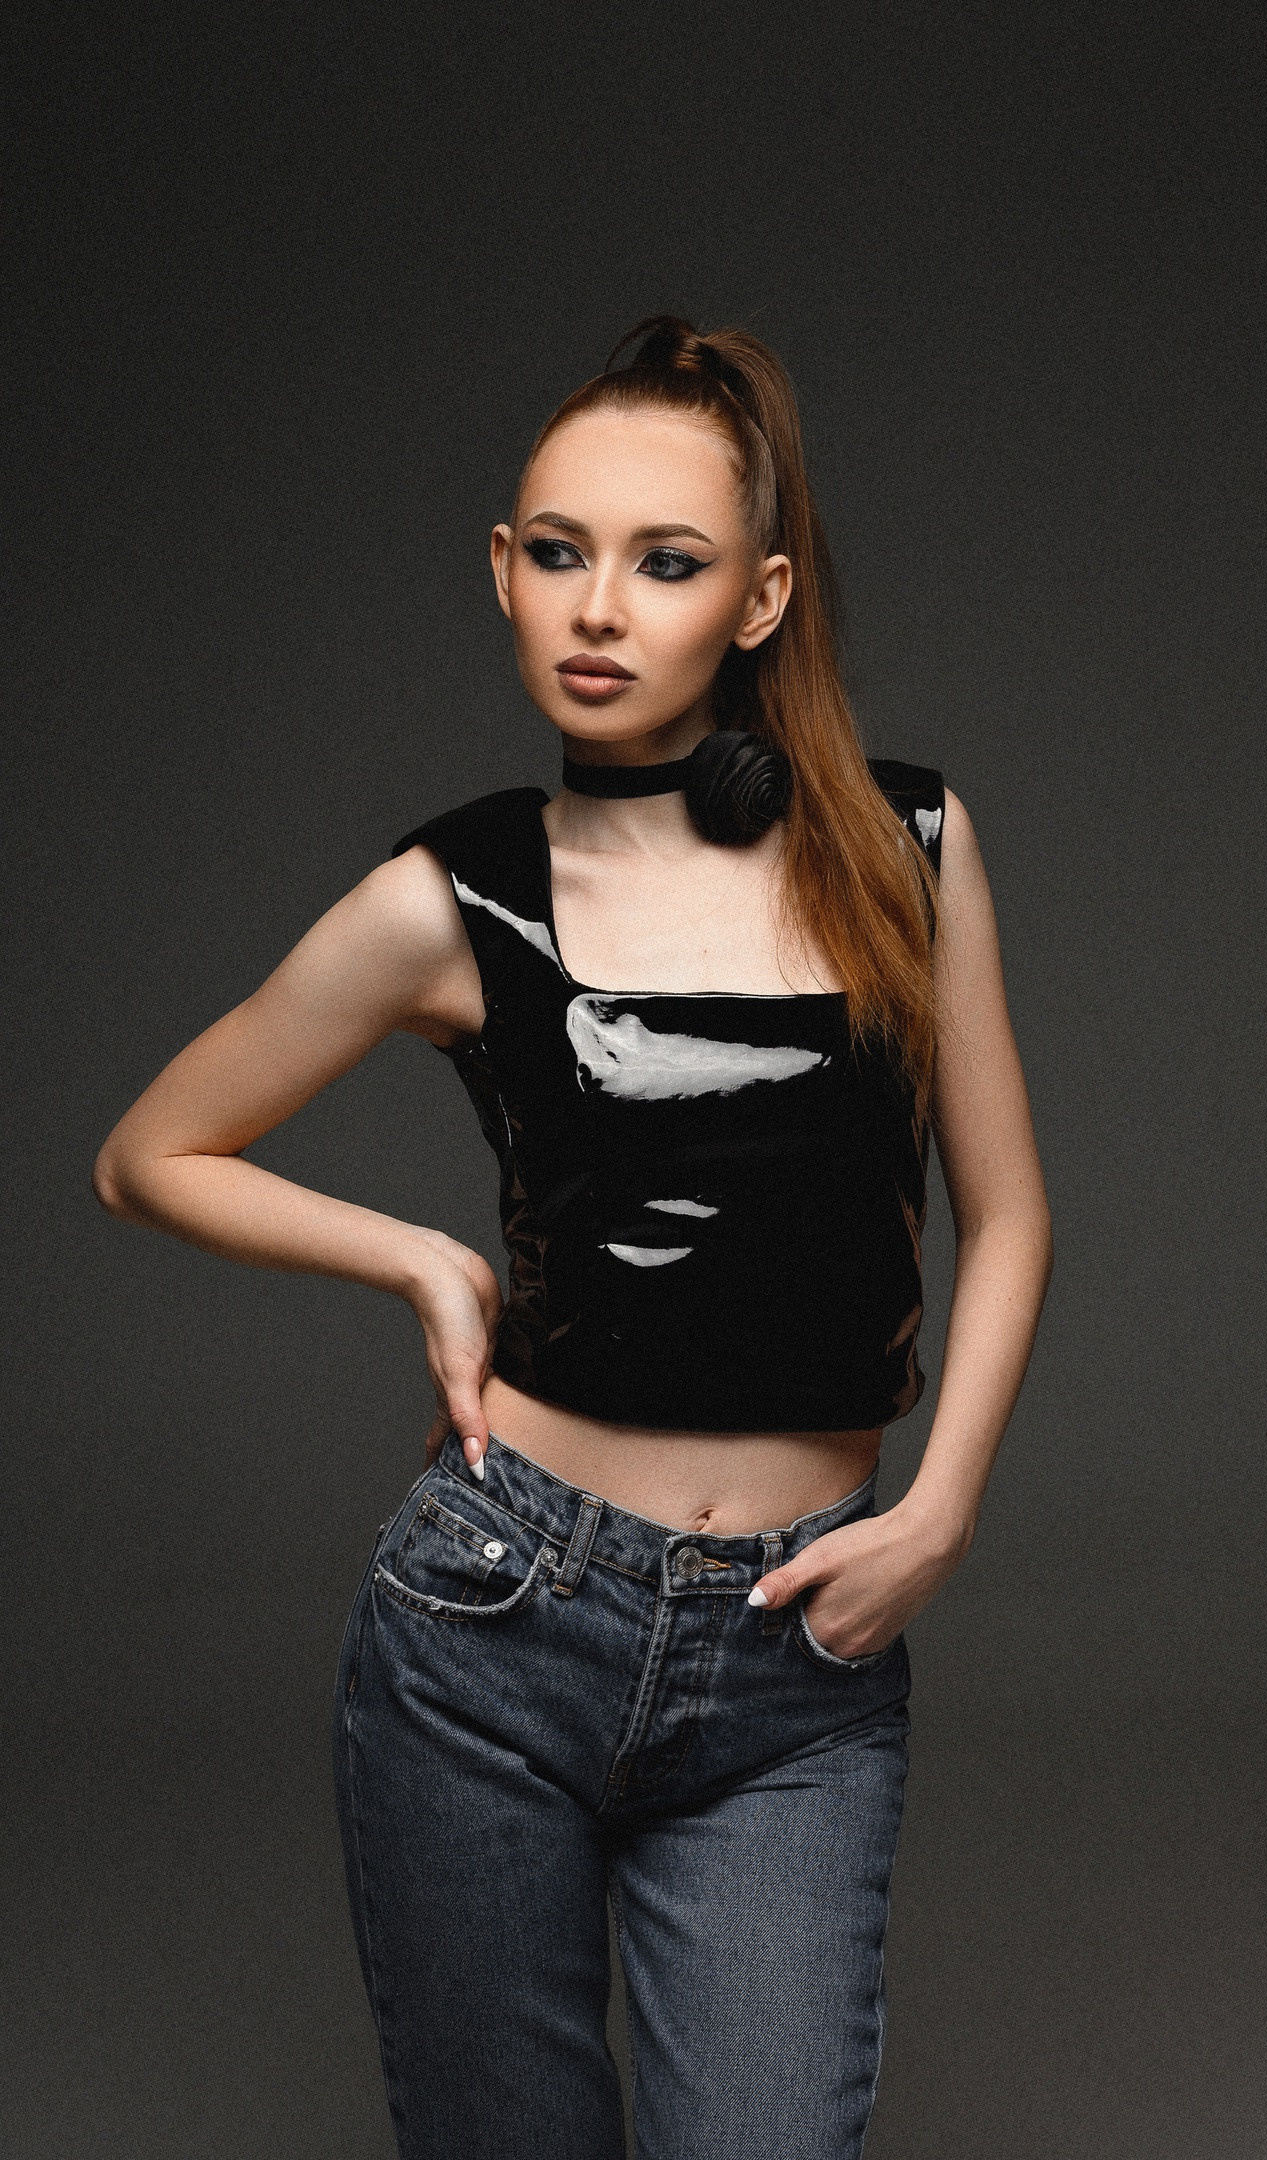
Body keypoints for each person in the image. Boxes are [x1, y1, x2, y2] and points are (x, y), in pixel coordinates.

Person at [93, 316, 1053, 2160]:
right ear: (502, 570)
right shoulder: (448, 896)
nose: (596, 608)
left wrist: (936, 1513)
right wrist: (422, 1261)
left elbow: (1007, 1216)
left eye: (664, 563)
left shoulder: (907, 845)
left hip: (798, 1662)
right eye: (557, 552)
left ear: (758, 600)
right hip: (494, 1625)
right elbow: (151, 1154)